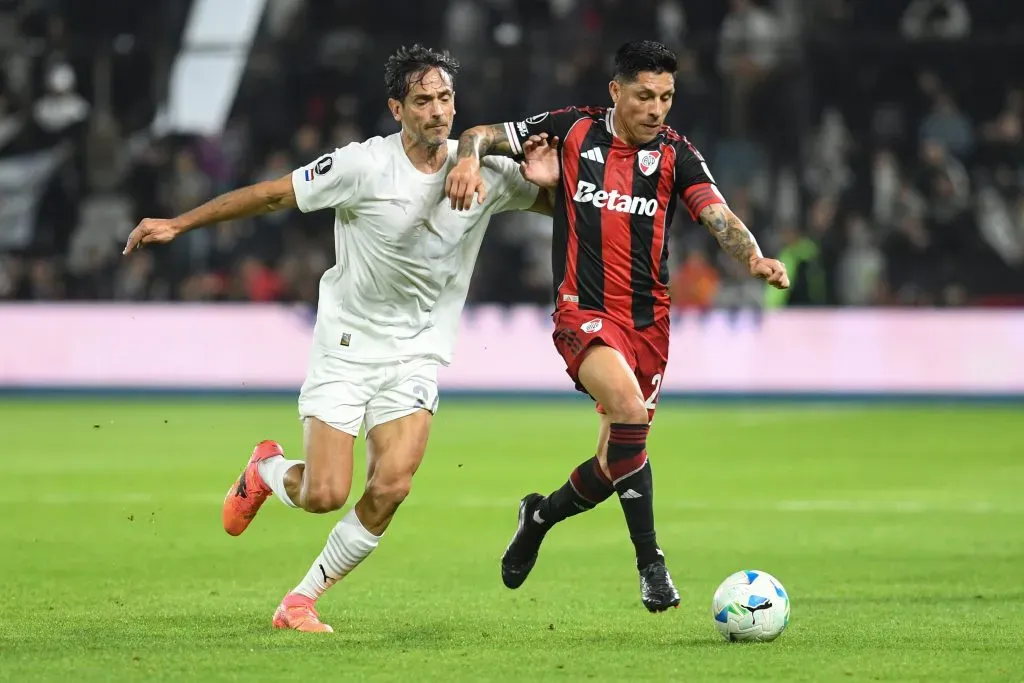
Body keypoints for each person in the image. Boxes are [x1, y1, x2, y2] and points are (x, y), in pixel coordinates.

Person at [122, 45, 558, 633]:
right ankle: (267, 471)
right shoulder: (361, 165)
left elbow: (562, 207)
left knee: (393, 484)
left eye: (445, 98)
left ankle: (299, 601)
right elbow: (274, 194)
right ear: (396, 108)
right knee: (326, 493)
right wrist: (179, 222)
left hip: (418, 351)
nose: (437, 111)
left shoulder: (483, 171)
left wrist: (550, 182)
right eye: (423, 100)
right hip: (348, 345)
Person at [444, 39, 790, 612]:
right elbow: (480, 134)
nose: (657, 109)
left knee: (614, 464)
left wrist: (753, 258)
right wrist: (466, 158)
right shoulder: (573, 129)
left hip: (649, 325)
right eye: (645, 95)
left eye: (667, 97)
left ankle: (539, 515)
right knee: (628, 412)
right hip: (583, 311)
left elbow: (717, 214)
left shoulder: (677, 154)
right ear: (616, 91)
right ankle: (651, 564)